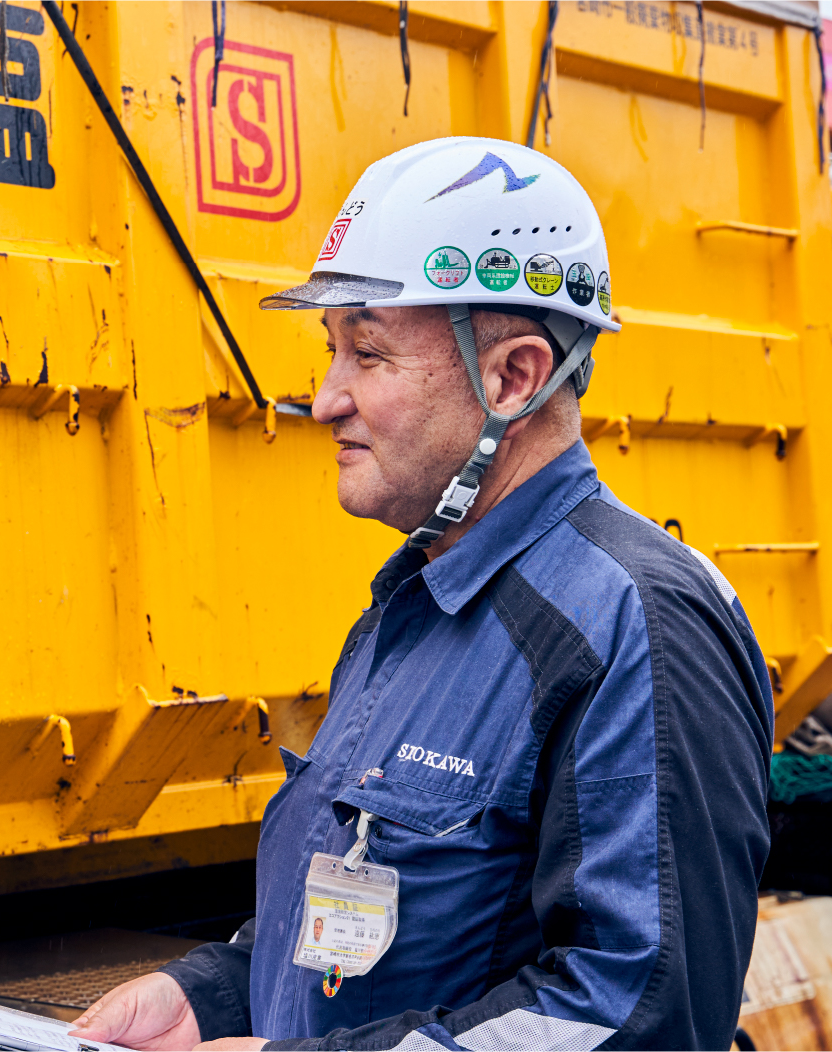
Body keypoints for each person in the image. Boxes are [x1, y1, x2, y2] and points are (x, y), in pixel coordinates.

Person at [70, 138, 771, 1050]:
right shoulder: (416, 607)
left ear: (512, 378)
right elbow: (362, 932)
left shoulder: (631, 625)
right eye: (330, 351)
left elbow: (638, 1017)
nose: (323, 399)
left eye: (367, 353)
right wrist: (208, 995)